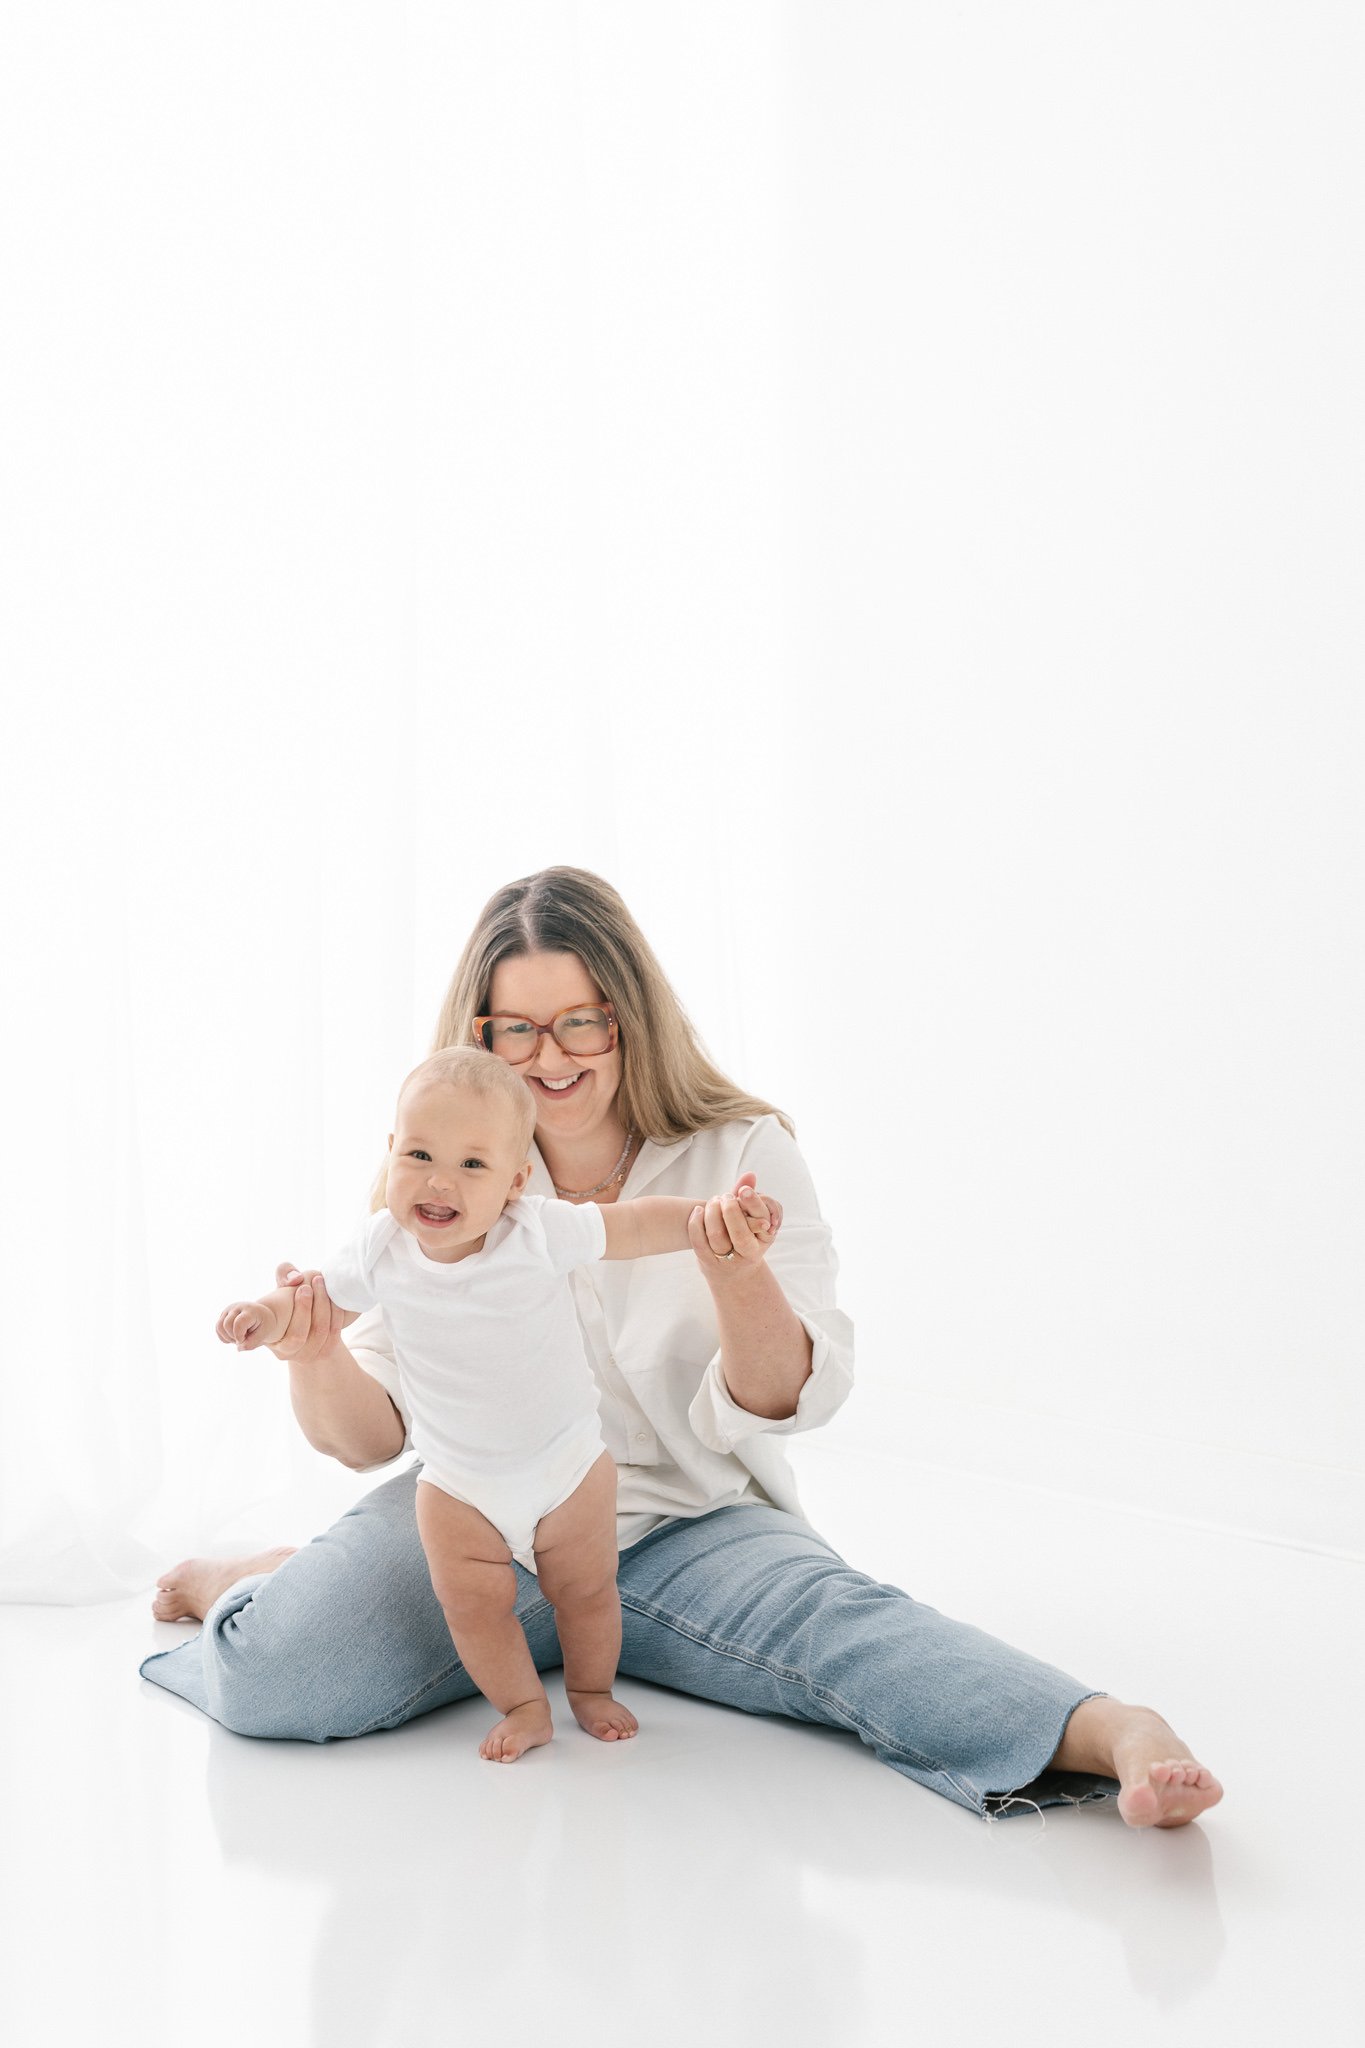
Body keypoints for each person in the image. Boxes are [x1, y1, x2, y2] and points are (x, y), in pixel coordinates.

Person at [143, 865, 1223, 1828]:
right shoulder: (438, 1174)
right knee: (281, 1674)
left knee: (848, 1629)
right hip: (485, 1512)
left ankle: (1113, 1729)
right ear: (480, 1038)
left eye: (581, 1022)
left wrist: (737, 1272)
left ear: (631, 1017)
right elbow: (366, 1434)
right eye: (514, 1028)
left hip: (691, 1523)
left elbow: (792, 1396)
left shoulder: (741, 1151)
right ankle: (263, 1579)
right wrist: (313, 1351)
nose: (548, 1057)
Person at [214, 1042, 781, 1763]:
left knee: (585, 1594)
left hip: (567, 1467)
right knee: (472, 1608)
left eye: (471, 1165)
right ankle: (521, 1704)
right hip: (457, 1485)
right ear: (390, 1151)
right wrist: (265, 1315)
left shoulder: (536, 1232)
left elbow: (634, 1224)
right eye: (418, 1155)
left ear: (515, 1181)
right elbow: (312, 1299)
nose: (439, 1182)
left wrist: (712, 1217)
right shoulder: (380, 1248)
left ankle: (589, 1691)